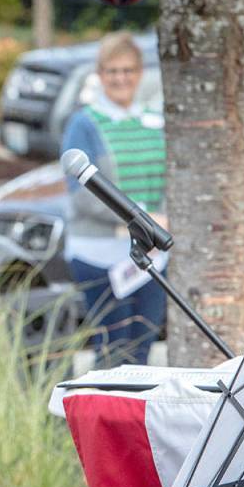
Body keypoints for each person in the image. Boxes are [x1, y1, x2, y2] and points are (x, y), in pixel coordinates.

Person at [61, 31, 167, 367]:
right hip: (100, 255)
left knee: (142, 350)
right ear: (100, 74)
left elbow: (170, 179)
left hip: (150, 257)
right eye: (112, 71)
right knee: (112, 351)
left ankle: (135, 421)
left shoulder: (154, 122)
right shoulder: (84, 124)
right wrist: (142, 220)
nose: (120, 78)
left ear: (139, 73)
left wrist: (159, 219)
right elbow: (82, 197)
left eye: (127, 70)